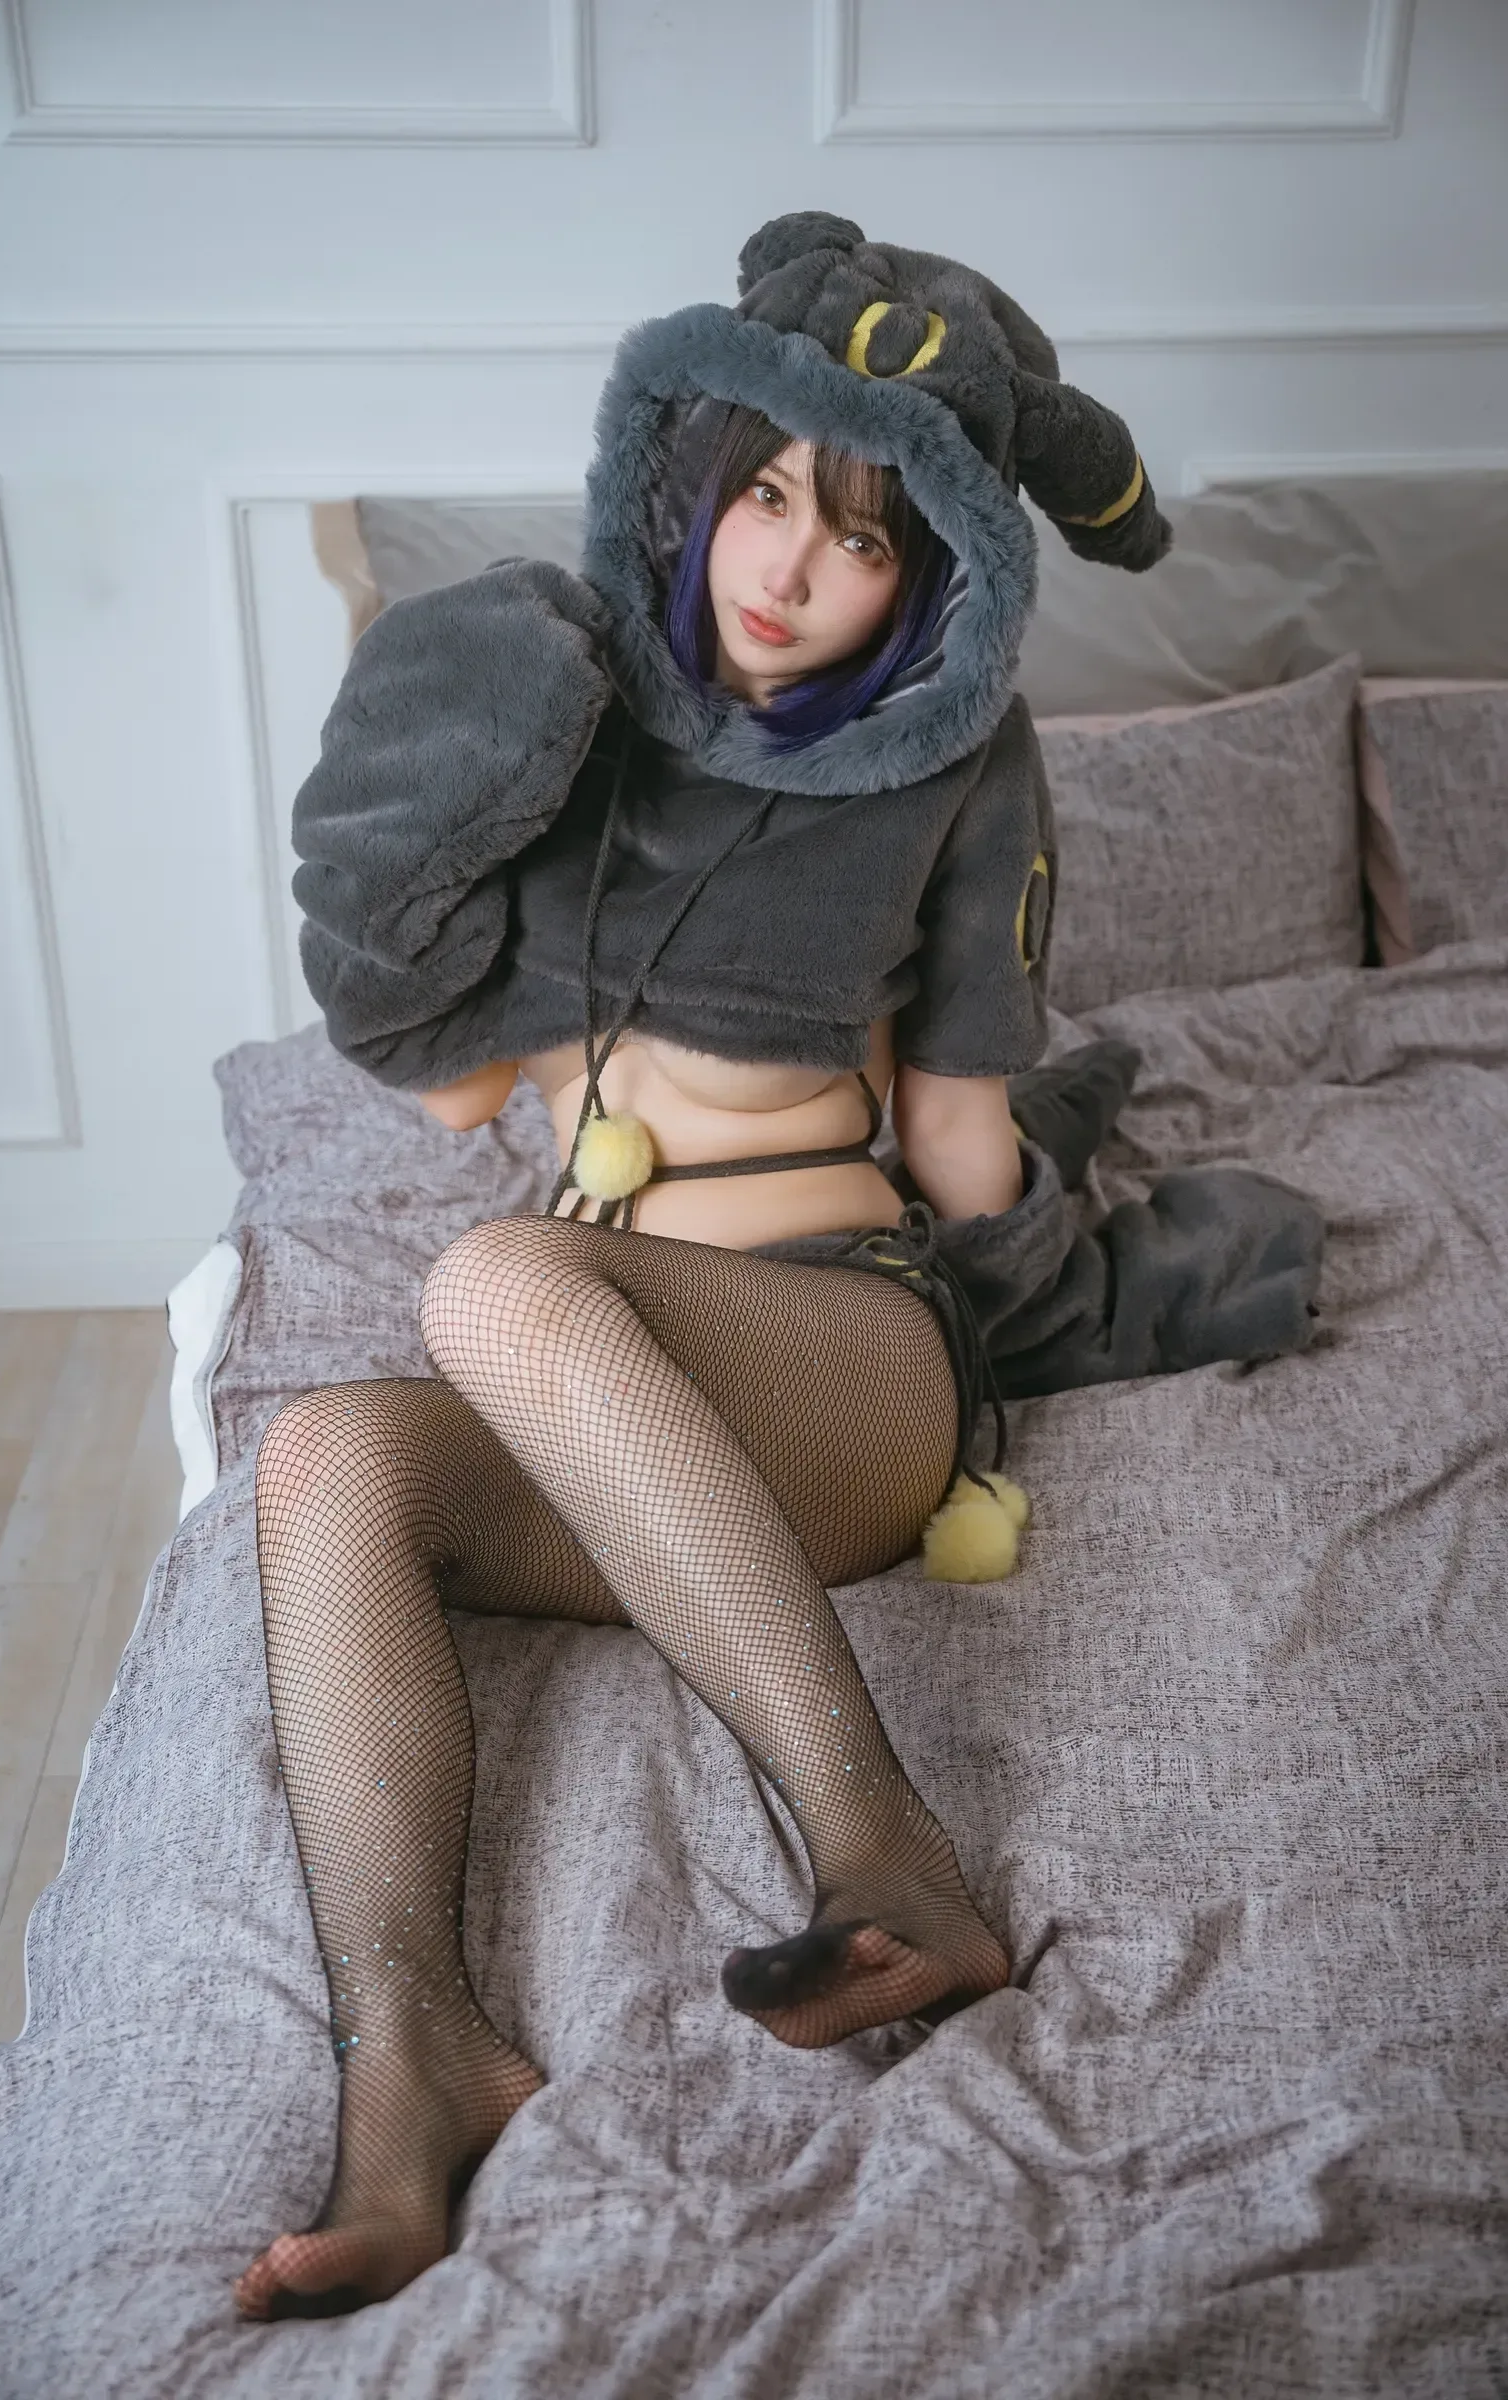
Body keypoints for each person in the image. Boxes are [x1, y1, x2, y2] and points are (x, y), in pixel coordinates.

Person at [233, 214, 1323, 2320]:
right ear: (695, 476)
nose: (791, 563)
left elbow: (956, 1134)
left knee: (490, 1290)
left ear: (932, 583)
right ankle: (413, 2058)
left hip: (846, 1357)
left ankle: (882, 1847)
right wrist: (410, 807)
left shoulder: (960, 766)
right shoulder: (575, 726)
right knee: (324, 1459)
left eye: (862, 533)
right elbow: (453, 1093)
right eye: (765, 496)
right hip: (613, 1393)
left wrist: (1062, 1272)